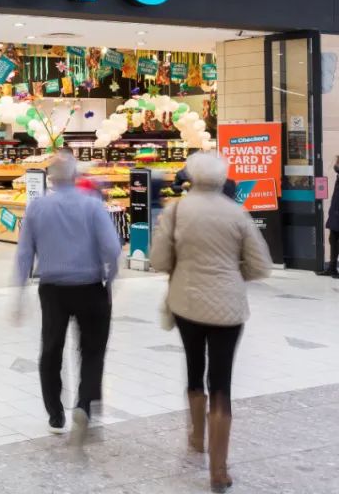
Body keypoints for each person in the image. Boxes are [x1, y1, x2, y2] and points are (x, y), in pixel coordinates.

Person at [150, 152, 272, 493]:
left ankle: (196, 437)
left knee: (194, 367)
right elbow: (261, 265)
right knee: (221, 381)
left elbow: (159, 259)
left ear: (191, 176)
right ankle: (219, 469)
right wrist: (233, 275)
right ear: (222, 178)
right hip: (228, 309)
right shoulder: (237, 213)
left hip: (187, 303)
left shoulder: (176, 211)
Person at [13, 152, 121, 445]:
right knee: (92, 350)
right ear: (75, 177)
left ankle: (55, 415)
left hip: (52, 289)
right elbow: (112, 248)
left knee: (51, 350)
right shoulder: (92, 205)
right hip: (90, 287)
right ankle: (84, 404)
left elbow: (24, 254)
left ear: (51, 179)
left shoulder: (37, 208)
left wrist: (19, 294)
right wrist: (110, 279)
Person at [318, 155, 339, 277]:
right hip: (335, 214)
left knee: (335, 241)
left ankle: (333, 268)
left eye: (337, 162)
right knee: (333, 240)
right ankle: (332, 268)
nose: (335, 165)